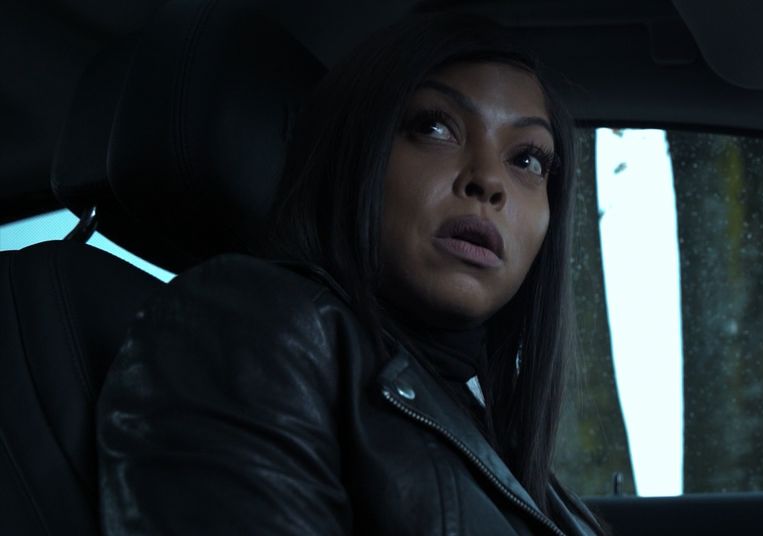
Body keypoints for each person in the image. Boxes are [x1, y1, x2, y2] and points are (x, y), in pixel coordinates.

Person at [96, 12, 611, 536]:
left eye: (527, 159)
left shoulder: (492, 428)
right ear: (354, 152)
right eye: (434, 127)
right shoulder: (248, 325)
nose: (489, 181)